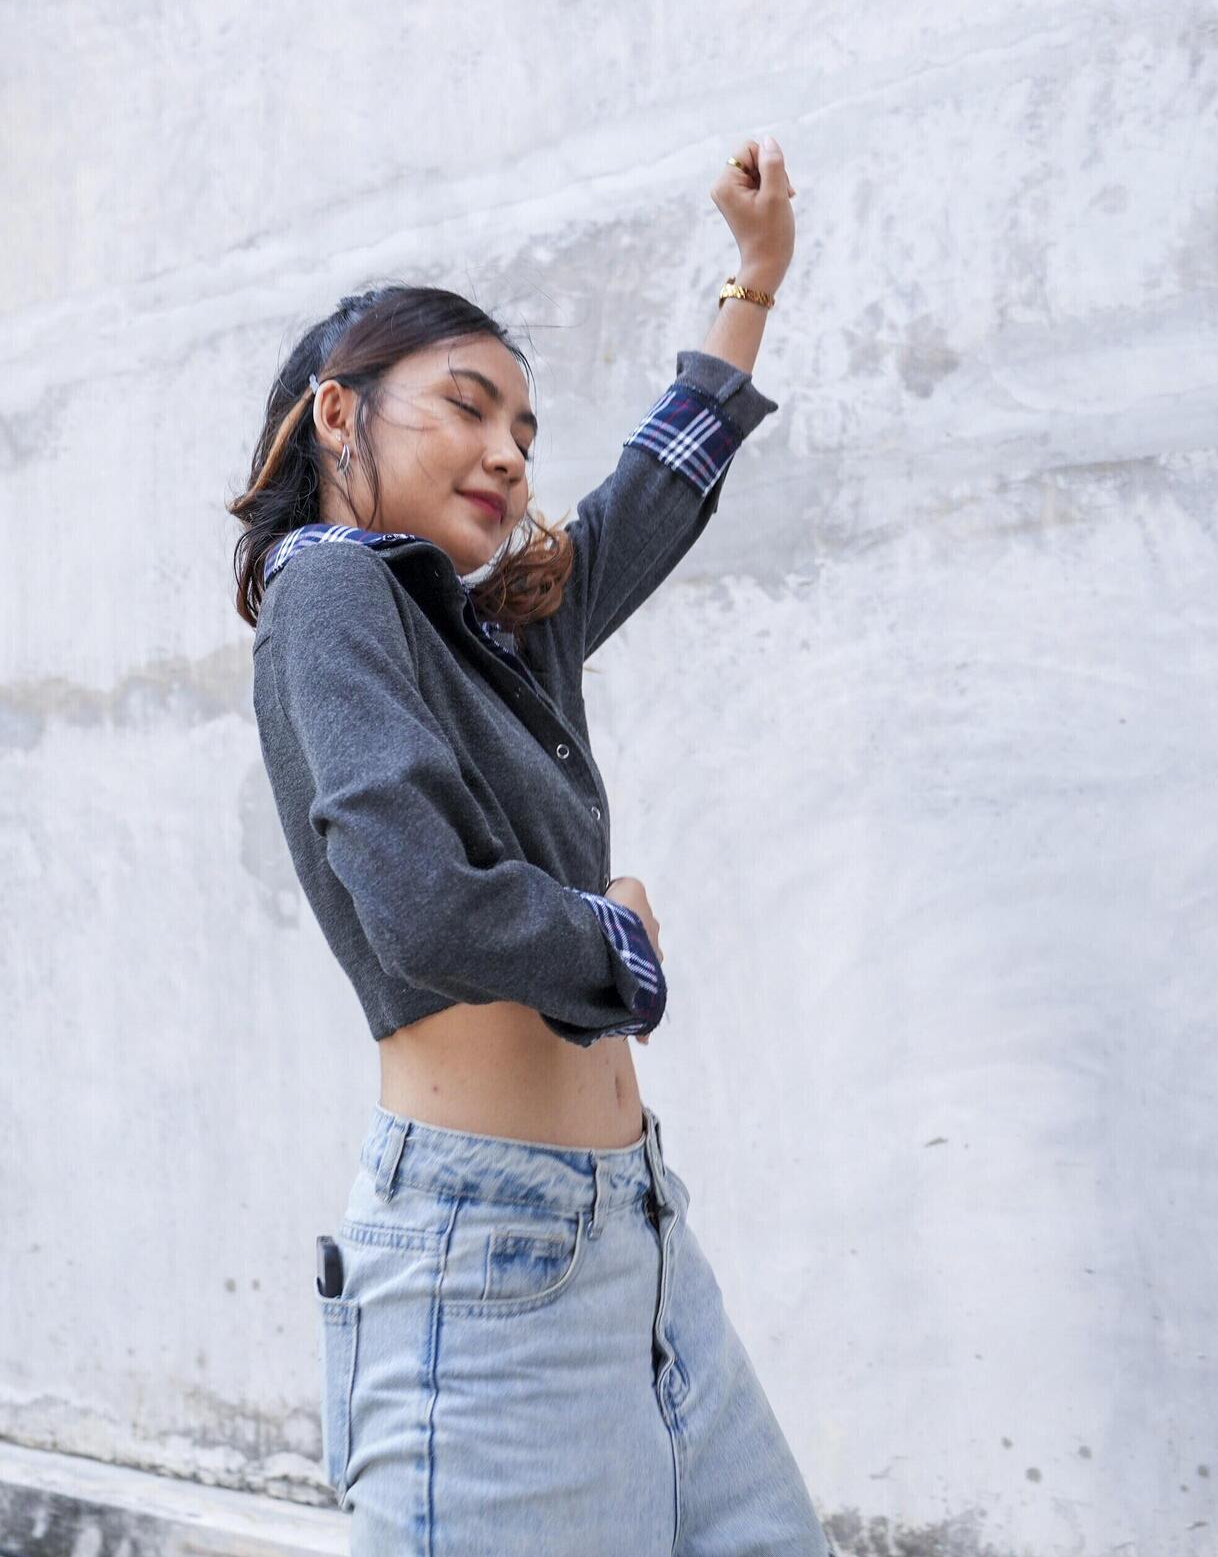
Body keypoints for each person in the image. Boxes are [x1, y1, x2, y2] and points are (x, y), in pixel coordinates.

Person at [230, 138, 829, 1554]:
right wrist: (613, 939)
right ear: (339, 414)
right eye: (468, 405)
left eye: (525, 430)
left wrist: (753, 280)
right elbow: (422, 907)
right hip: (484, 1270)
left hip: (636, 1238)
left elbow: (652, 495)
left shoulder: (496, 638)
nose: (507, 449)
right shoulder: (329, 598)